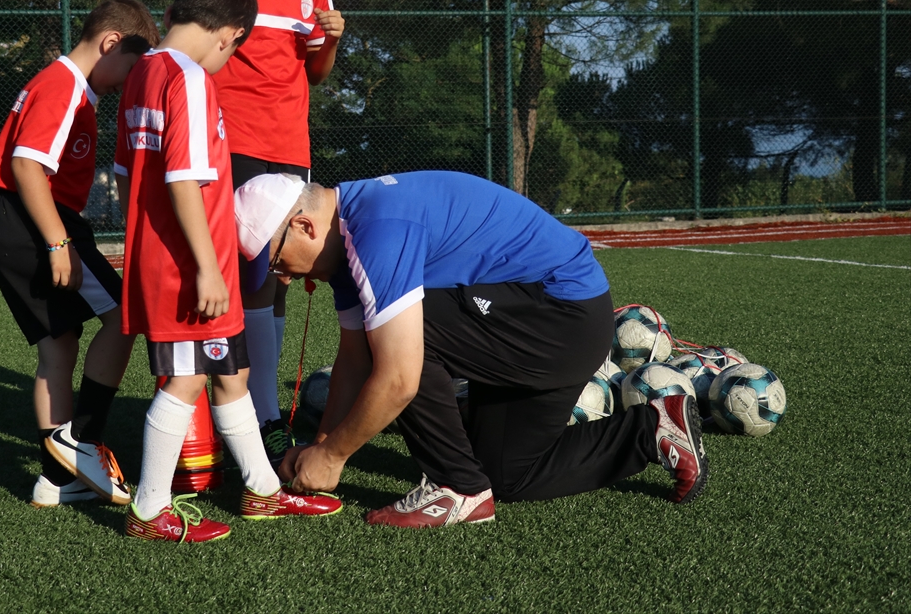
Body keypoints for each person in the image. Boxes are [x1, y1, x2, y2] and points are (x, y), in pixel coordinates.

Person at [233, 171, 709, 529]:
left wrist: (334, 457)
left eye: (275, 264)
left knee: (403, 342)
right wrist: (318, 447)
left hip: (560, 318)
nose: (285, 279)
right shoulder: (349, 236)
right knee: (506, 474)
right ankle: (653, 427)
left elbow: (399, 376)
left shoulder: (376, 227)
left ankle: (454, 488)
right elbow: (353, 358)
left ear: (304, 226)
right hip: (543, 326)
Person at [113, 0, 342, 543]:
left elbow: (125, 175)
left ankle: (263, 492)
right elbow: (186, 182)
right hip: (192, 263)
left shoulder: (141, 72)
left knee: (230, 374)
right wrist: (207, 266)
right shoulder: (187, 78)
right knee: (186, 382)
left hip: (168, 255)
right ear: (229, 36)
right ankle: (149, 510)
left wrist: (146, 237)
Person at [0, 0, 160, 508]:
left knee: (58, 347)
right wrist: (58, 242)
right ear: (110, 44)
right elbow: (27, 166)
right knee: (124, 316)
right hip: (32, 219)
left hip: (16, 220)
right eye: (128, 68)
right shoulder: (63, 87)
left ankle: (56, 479)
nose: (126, 82)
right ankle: (82, 448)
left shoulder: (65, 86)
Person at [198, 0, 346, 460]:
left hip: (290, 147)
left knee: (278, 278)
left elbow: (316, 73)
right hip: (230, 144)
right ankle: (255, 415)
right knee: (240, 277)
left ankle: (259, 407)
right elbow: (195, 56)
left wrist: (331, 39)